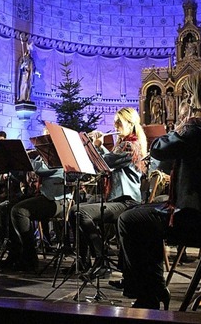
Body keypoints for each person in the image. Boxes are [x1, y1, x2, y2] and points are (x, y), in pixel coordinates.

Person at [117, 68, 201, 310]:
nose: (188, 101)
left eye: (190, 96)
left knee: (130, 219)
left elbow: (159, 149)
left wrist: (182, 122)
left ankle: (149, 293)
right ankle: (153, 288)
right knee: (145, 217)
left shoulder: (200, 127)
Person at [72, 107, 146, 281]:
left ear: (130, 123)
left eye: (119, 122)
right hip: (116, 199)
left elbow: (107, 162)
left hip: (127, 202)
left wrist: (96, 145)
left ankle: (100, 259)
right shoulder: (122, 144)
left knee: (80, 212)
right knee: (74, 211)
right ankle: (85, 262)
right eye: (115, 122)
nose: (115, 126)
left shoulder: (131, 145)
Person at [5, 154, 69, 272]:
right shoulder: (43, 157)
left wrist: (23, 160)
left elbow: (41, 169)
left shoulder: (59, 155)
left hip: (58, 200)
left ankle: (29, 257)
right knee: (6, 208)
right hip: (44, 196)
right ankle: (15, 253)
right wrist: (12, 166)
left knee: (19, 211)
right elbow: (21, 176)